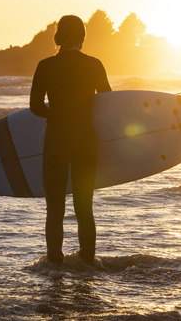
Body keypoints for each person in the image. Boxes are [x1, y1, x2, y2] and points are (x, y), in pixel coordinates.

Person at [30, 15, 112, 264]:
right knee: (84, 207)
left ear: (58, 36)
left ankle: (54, 262)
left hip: (56, 142)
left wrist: (55, 114)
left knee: (55, 208)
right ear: (83, 36)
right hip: (86, 142)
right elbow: (108, 101)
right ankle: (87, 260)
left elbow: (35, 106)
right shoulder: (94, 64)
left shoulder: (45, 66)